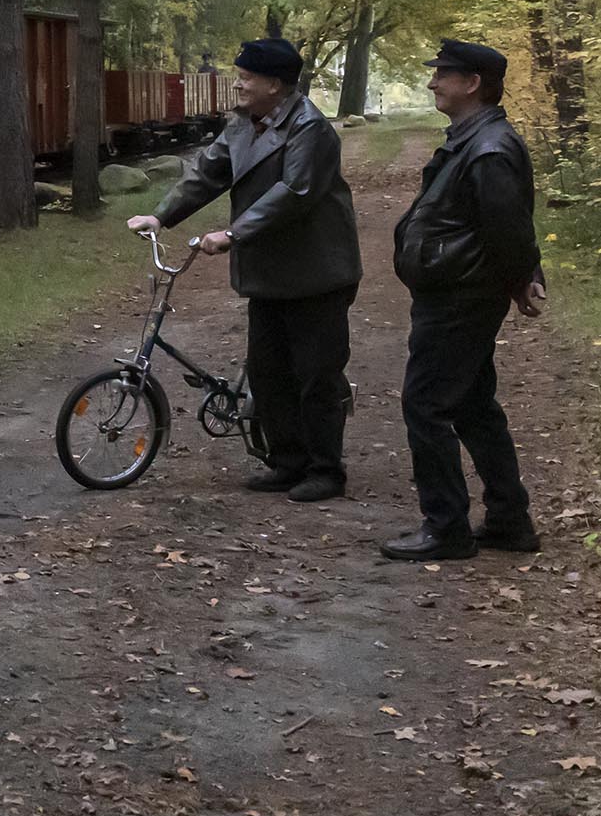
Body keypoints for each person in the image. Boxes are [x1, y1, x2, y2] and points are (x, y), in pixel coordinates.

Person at [127, 37, 361, 502]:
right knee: (269, 371)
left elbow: (293, 194)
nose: (238, 83)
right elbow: (208, 172)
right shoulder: (243, 124)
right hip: (271, 272)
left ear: (275, 84)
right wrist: (161, 215)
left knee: (315, 374)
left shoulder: (310, 129)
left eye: (247, 77)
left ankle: (325, 470)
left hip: (316, 272)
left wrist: (232, 234)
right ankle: (286, 461)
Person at [380, 39, 545, 561]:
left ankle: (446, 527)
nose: (433, 82)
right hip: (459, 292)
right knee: (473, 406)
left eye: (442, 74)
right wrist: (521, 277)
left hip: (460, 298)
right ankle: (508, 521)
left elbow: (510, 228)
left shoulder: (490, 147)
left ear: (472, 83)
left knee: (425, 404)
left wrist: (523, 278)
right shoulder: (474, 140)